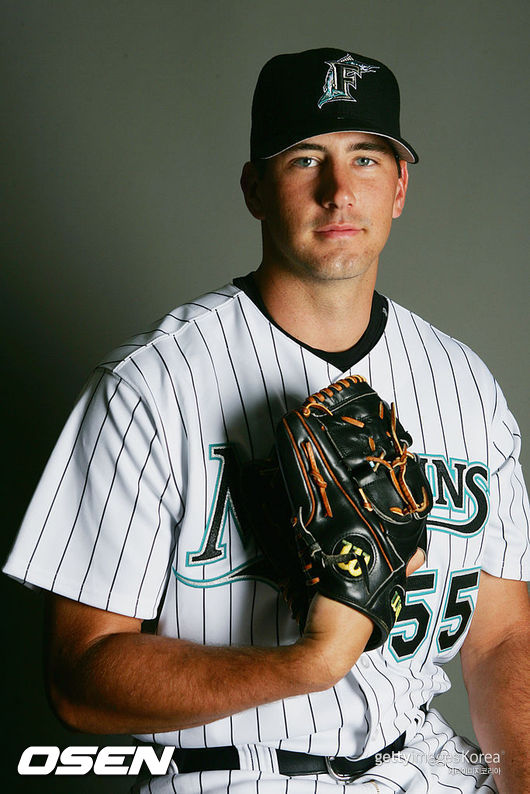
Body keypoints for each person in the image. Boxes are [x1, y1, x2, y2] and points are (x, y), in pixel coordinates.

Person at [4, 48, 529, 794]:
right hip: (232, 773)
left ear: (400, 187)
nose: (339, 192)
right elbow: (80, 676)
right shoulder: (150, 385)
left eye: (366, 159)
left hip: (421, 764)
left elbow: (503, 636)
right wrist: (309, 663)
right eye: (305, 159)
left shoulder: (465, 384)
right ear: (254, 188)